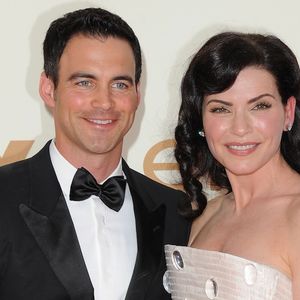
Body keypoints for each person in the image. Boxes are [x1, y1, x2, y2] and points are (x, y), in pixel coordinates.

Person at [0, 7, 191, 300]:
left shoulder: (177, 214)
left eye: (119, 84)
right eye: (84, 82)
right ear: (49, 89)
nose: (104, 102)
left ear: (137, 95)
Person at [164, 32, 300, 299]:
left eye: (259, 106)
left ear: (288, 112)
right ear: (200, 120)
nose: (240, 128)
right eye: (220, 109)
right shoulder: (203, 216)